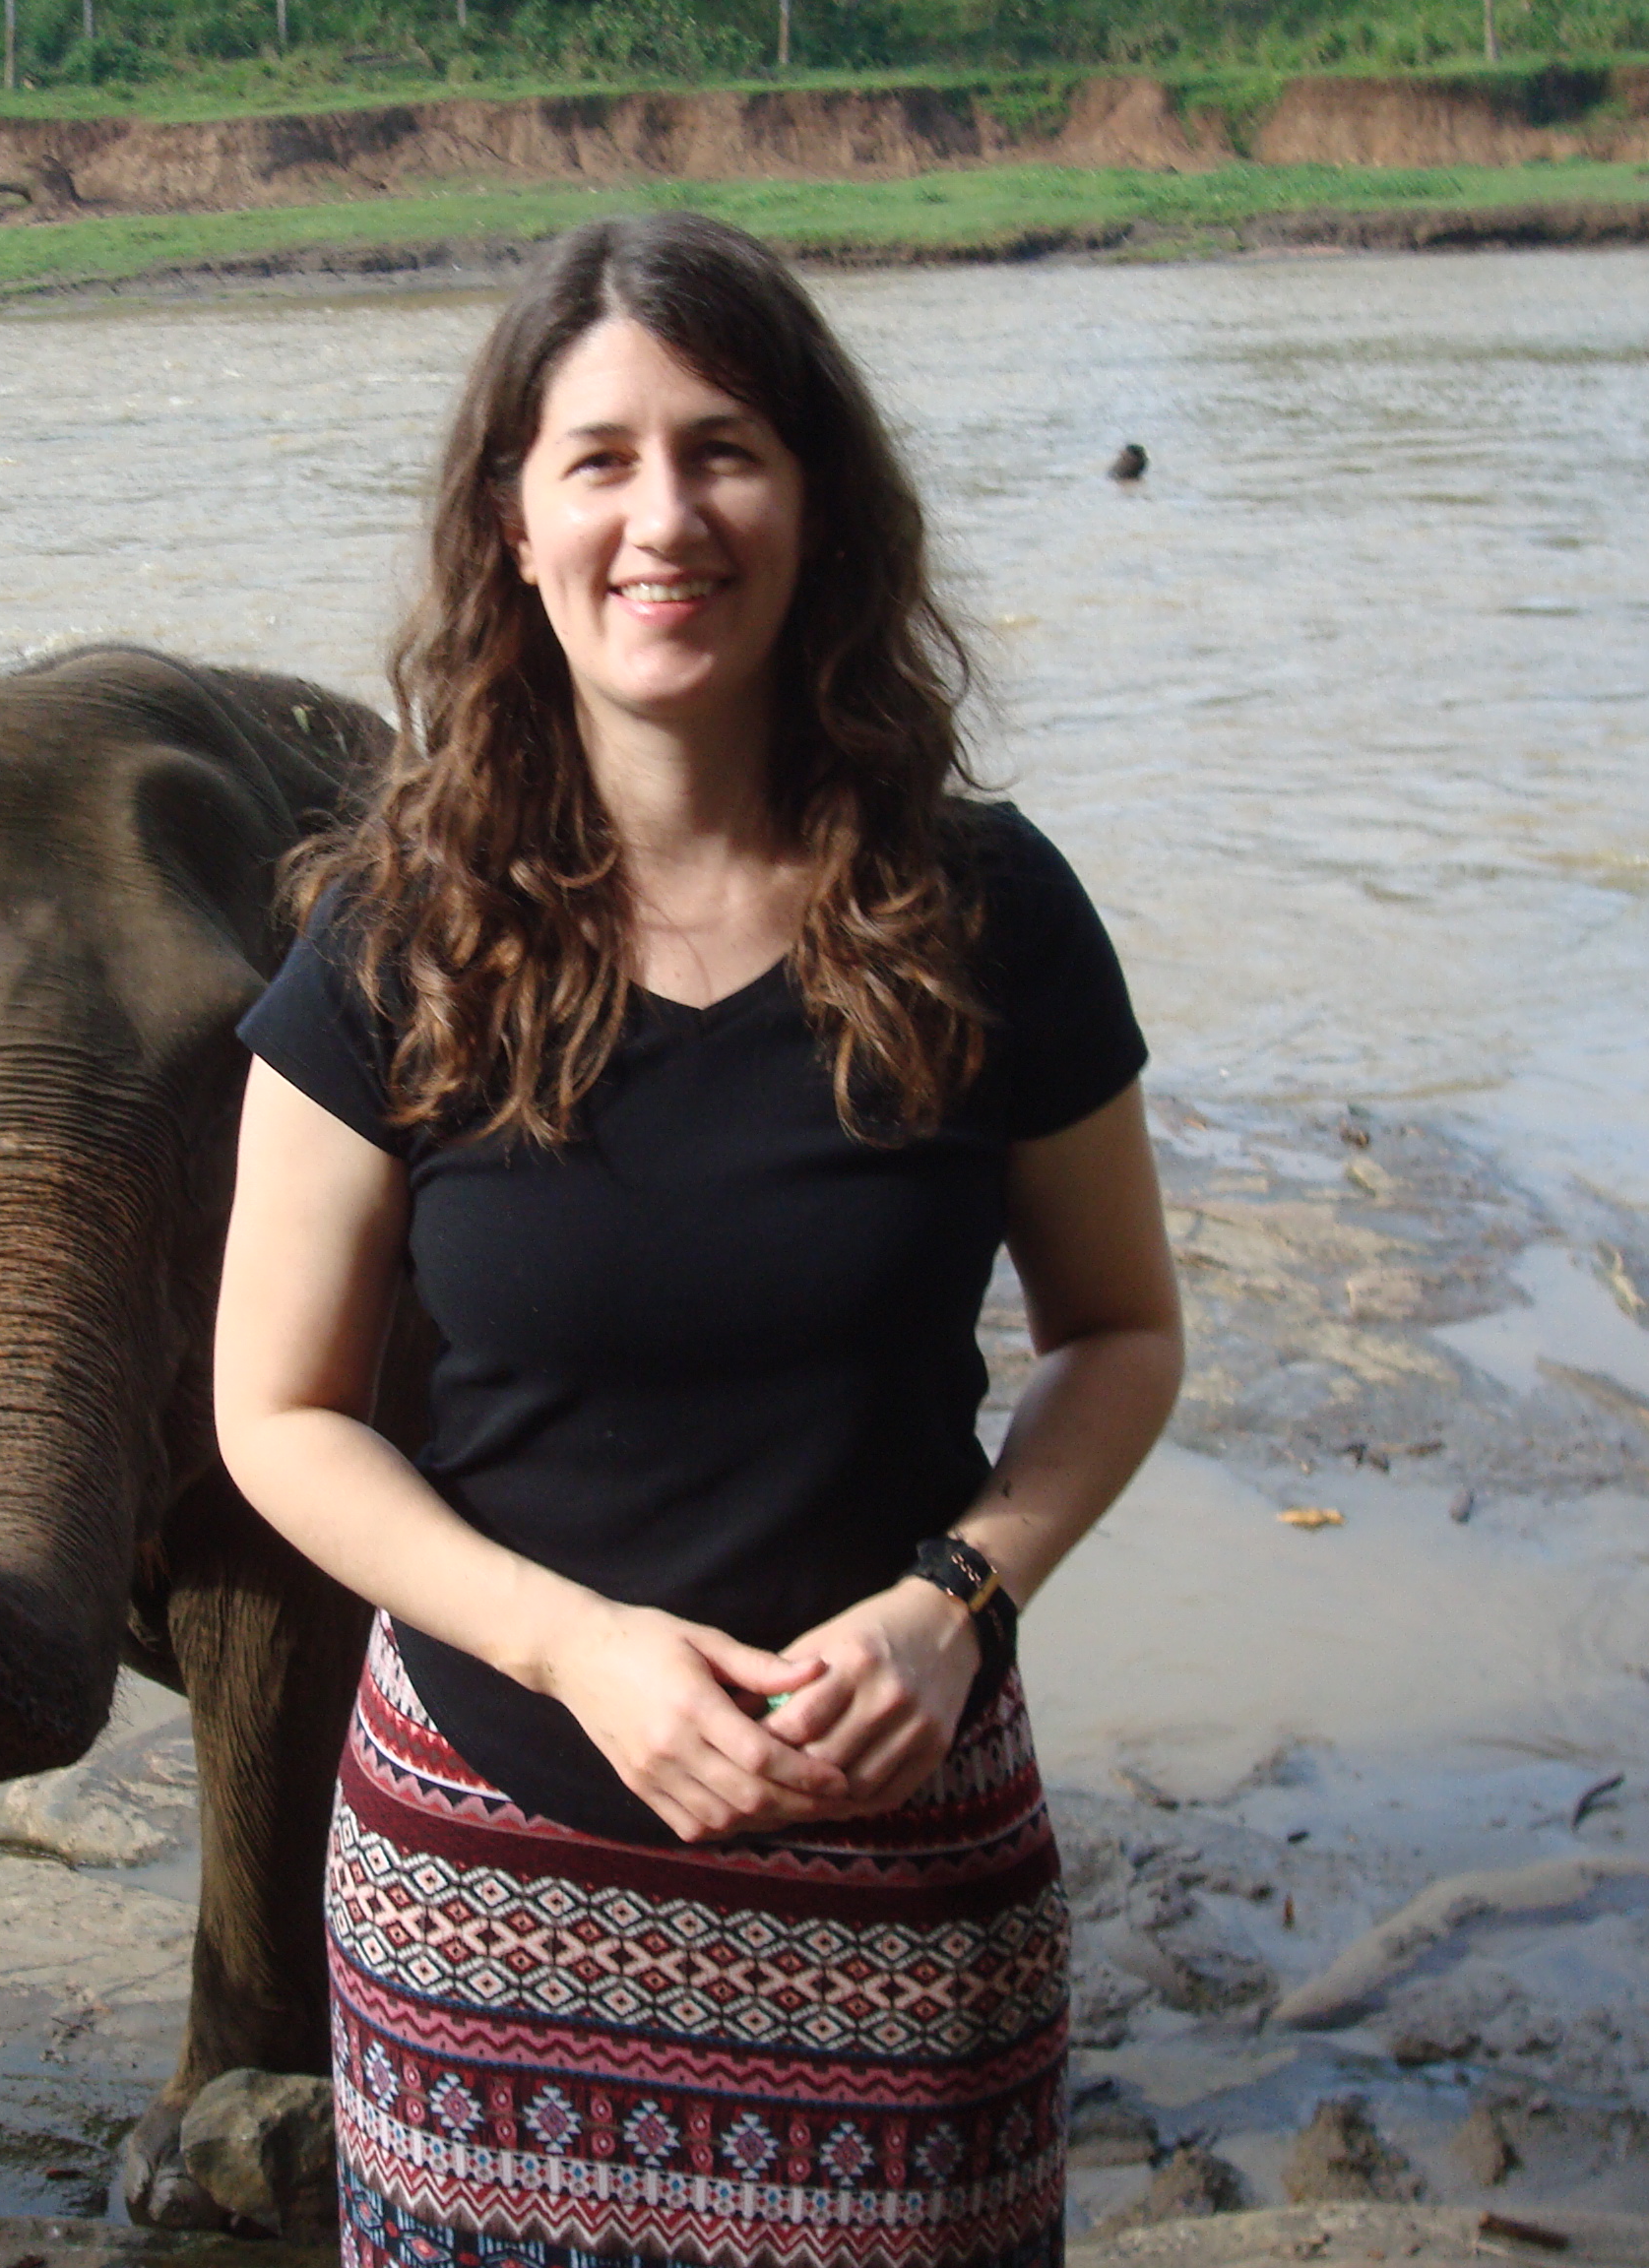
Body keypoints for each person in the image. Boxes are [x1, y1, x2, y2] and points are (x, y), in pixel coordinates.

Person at [213, 212, 1182, 2268]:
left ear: (816, 501)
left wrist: (958, 1599)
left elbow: (1120, 1336)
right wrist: (570, 1643)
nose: (670, 515)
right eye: (604, 458)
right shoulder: (395, 940)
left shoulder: (989, 911)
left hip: (905, 1897)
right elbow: (275, 1413)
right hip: (490, 1901)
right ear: (514, 525)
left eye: (726, 448)